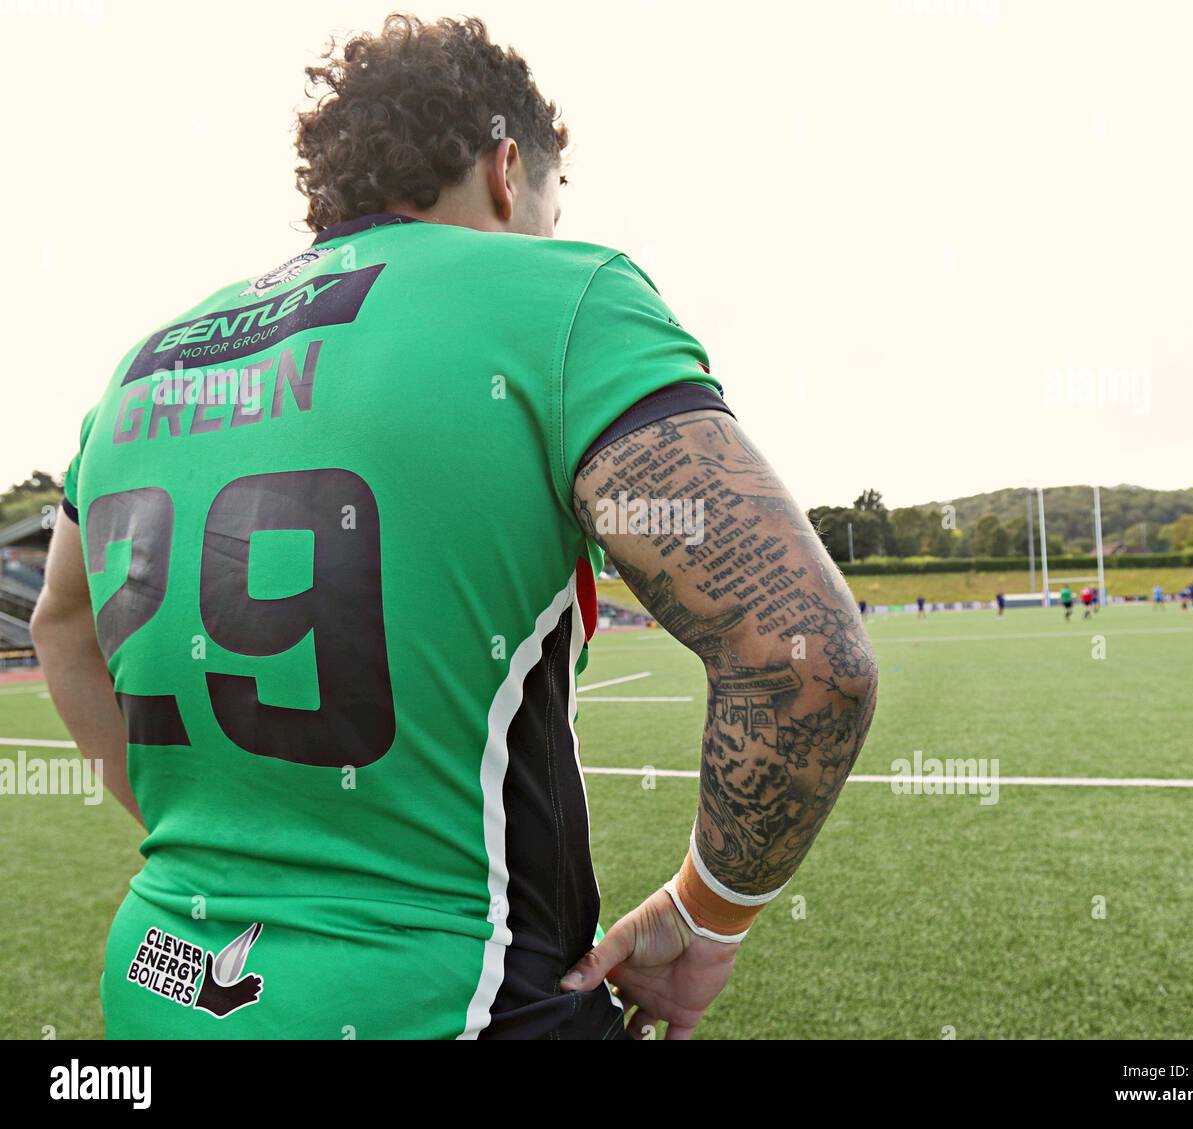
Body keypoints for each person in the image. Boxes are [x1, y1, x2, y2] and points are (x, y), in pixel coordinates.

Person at [30, 14, 877, 1042]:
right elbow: (804, 657)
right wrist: (707, 916)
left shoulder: (142, 363)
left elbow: (60, 630)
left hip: (164, 983)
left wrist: (222, 840)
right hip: (452, 1003)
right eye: (555, 201)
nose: (553, 229)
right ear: (508, 166)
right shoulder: (560, 297)